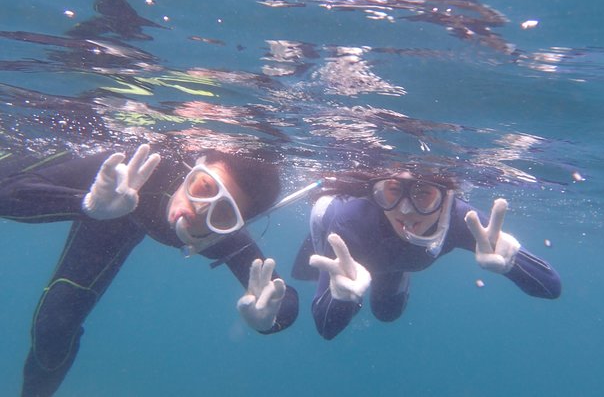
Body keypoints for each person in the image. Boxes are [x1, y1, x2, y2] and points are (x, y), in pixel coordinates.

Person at [0, 143, 308, 396]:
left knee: (54, 324)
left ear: (234, 226)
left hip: (110, 218)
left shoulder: (222, 237)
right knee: (54, 323)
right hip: (99, 200)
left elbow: (281, 295)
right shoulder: (136, 163)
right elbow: (7, 193)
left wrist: (270, 319)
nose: (196, 210)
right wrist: (86, 203)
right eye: (202, 186)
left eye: (223, 212)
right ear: (193, 166)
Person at [292, 168, 562, 340]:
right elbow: (326, 329)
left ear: (446, 197)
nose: (406, 211)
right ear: (377, 192)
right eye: (393, 193)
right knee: (310, 275)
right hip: (352, 251)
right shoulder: (350, 222)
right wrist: (341, 297)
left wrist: (513, 264)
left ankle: (395, 272)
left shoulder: (462, 220)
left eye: (423, 194)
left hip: (392, 264)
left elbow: (551, 288)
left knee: (387, 314)